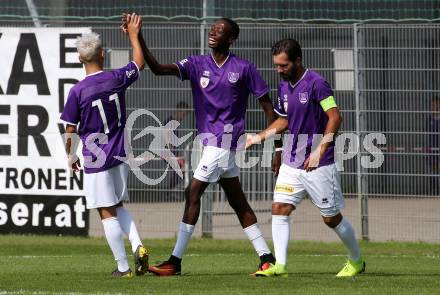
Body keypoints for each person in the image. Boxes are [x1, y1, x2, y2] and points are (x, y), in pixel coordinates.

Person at [123, 15, 279, 276]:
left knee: (192, 193)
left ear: (231, 38)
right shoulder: (197, 64)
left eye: (219, 30)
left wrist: (277, 147)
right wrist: (138, 37)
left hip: (224, 143)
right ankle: (266, 257)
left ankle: (175, 261)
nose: (212, 32)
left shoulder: (244, 68)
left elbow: (267, 107)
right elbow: (159, 69)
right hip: (211, 145)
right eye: (212, 29)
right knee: (238, 201)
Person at [246, 38, 365, 278]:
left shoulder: (317, 83)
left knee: (330, 218)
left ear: (297, 61)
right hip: (293, 159)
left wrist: (320, 149)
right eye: (276, 66)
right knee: (279, 208)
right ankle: (280, 265)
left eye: (284, 66)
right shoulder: (283, 87)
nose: (279, 71)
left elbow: (335, 117)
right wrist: (258, 138)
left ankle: (356, 261)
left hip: (319, 162)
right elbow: (284, 121)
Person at [61, 14, 149, 278]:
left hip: (95, 157)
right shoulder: (116, 78)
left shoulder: (77, 91)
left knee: (106, 211)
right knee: (118, 206)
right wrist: (133, 35)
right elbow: (139, 63)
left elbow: (70, 128)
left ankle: (123, 267)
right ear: (103, 54)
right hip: (119, 153)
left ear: (80, 59)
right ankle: (138, 245)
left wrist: (70, 155)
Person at [428, 96, 440, 195]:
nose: (434, 106)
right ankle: (435, 189)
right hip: (432, 148)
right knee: (434, 169)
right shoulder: (429, 118)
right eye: (433, 105)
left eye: (436, 104)